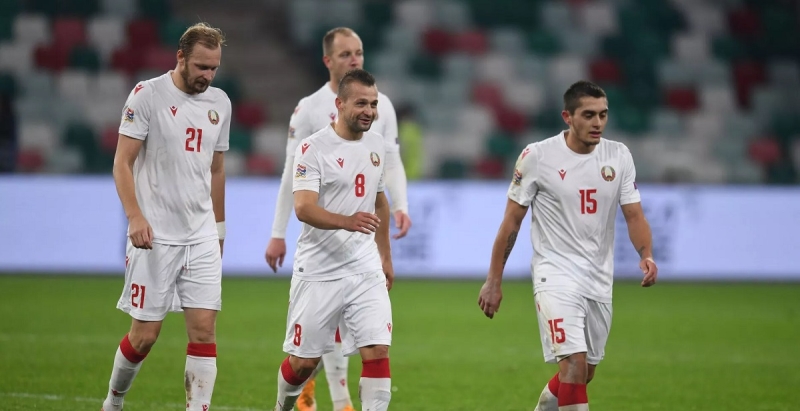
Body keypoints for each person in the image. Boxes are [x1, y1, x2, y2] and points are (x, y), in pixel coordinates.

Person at [477, 80, 658, 411]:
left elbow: (634, 215)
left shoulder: (618, 155)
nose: (598, 122)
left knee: (584, 372)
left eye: (603, 114)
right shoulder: (537, 156)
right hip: (555, 275)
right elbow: (511, 222)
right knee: (573, 364)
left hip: (598, 278)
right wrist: (493, 280)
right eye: (588, 115)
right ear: (568, 117)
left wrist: (646, 255)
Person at [265, 27, 410, 411]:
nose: (369, 112)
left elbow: (379, 202)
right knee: (303, 363)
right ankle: (284, 404)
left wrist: (385, 257)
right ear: (340, 105)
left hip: (364, 267)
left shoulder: (376, 145)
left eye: (373, 104)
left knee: (377, 350)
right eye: (361, 104)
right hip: (319, 268)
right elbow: (303, 207)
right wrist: (347, 221)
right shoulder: (313, 148)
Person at [100, 22, 231, 411]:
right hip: (155, 235)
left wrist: (219, 230)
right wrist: (134, 216)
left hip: (201, 235)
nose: (208, 76)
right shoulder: (147, 95)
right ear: (180, 58)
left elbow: (217, 170)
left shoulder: (220, 103)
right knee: (144, 336)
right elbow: (122, 163)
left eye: (214, 68)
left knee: (204, 331)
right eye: (201, 67)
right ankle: (113, 401)